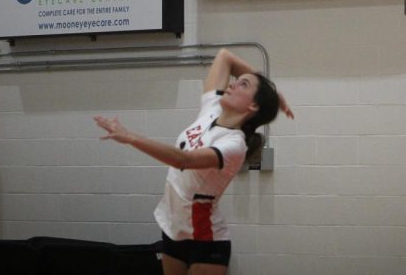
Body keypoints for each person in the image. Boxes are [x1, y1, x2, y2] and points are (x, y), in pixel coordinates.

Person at [94, 48, 293, 274]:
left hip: (206, 240)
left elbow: (183, 160)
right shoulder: (213, 107)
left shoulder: (234, 144)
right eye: (238, 81)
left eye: (243, 85)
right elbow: (225, 56)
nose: (233, 84)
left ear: (253, 106)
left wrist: (131, 137)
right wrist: (273, 95)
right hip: (173, 230)